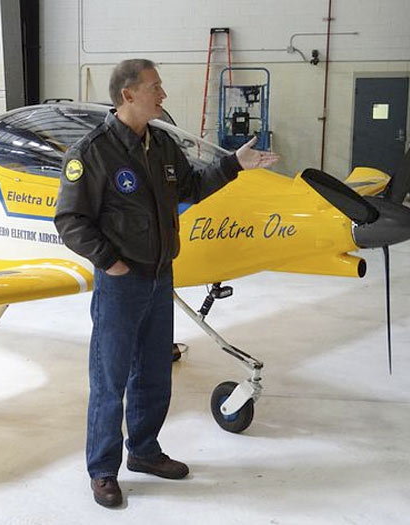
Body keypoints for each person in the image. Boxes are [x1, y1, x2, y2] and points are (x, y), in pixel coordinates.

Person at [54, 59, 279, 508]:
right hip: (121, 282)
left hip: (159, 279)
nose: (163, 94)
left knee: (154, 373)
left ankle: (144, 451)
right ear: (128, 95)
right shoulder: (93, 152)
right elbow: (70, 220)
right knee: (110, 378)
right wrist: (110, 263)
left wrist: (234, 163)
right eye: (155, 87)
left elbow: (192, 185)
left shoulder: (160, 145)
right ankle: (102, 469)